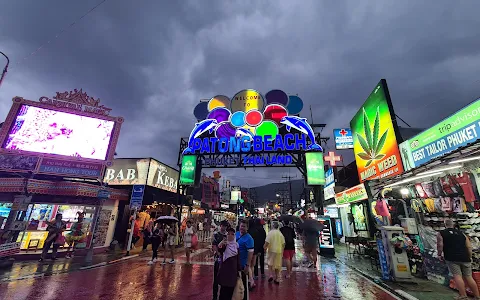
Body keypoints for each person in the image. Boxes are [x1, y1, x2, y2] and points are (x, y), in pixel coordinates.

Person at [437, 219, 480, 300]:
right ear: (453, 225)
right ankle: (477, 296)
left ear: (445, 225)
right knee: (469, 277)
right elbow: (469, 247)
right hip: (465, 258)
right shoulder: (462, 234)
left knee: (457, 276)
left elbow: (440, 245)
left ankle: (463, 296)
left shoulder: (441, 233)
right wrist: (469, 257)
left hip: (452, 258)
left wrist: (439, 254)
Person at [217, 227, 241, 300]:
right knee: (223, 293)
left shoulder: (236, 246)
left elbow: (238, 260)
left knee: (230, 294)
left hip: (233, 274)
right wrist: (221, 243)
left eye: (232, 234)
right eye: (228, 234)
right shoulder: (225, 245)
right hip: (224, 274)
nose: (230, 236)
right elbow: (220, 249)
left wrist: (239, 272)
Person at [235, 219, 254, 295]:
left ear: (247, 228)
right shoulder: (236, 234)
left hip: (243, 265)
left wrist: (247, 265)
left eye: (244, 226)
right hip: (235, 264)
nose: (242, 228)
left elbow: (250, 253)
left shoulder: (249, 239)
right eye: (241, 226)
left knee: (244, 286)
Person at [212, 220, 229, 300]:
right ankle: (214, 297)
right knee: (215, 279)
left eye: (225, 226)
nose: (224, 227)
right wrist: (218, 254)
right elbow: (214, 246)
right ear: (221, 225)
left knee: (224, 280)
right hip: (217, 260)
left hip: (226, 260)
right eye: (223, 225)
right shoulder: (216, 234)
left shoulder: (228, 235)